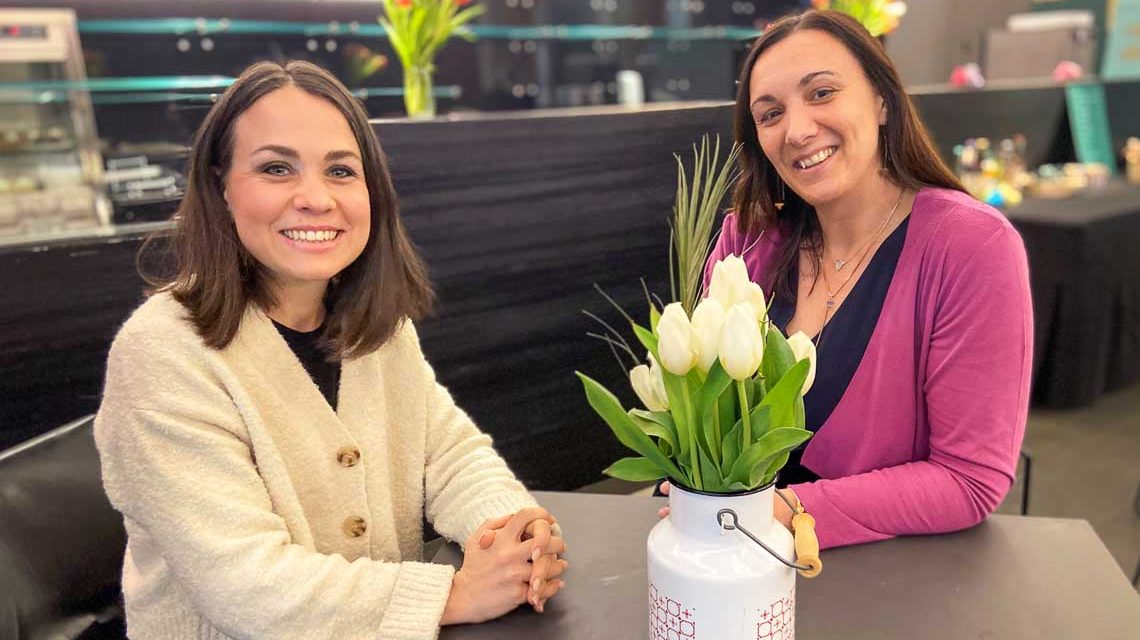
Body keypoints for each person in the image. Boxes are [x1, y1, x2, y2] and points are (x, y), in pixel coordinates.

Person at [94, 60, 565, 639]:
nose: (315, 197)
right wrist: (457, 593)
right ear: (220, 186)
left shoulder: (377, 326)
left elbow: (449, 457)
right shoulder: (162, 352)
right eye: (275, 168)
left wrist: (512, 533)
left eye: (341, 170)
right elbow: (245, 584)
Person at [661, 10, 1032, 550]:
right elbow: (696, 411)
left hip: (874, 575)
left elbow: (969, 481)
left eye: (822, 93)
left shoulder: (969, 246)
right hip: (732, 561)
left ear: (881, 100)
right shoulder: (749, 238)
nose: (798, 130)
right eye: (770, 113)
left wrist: (772, 515)